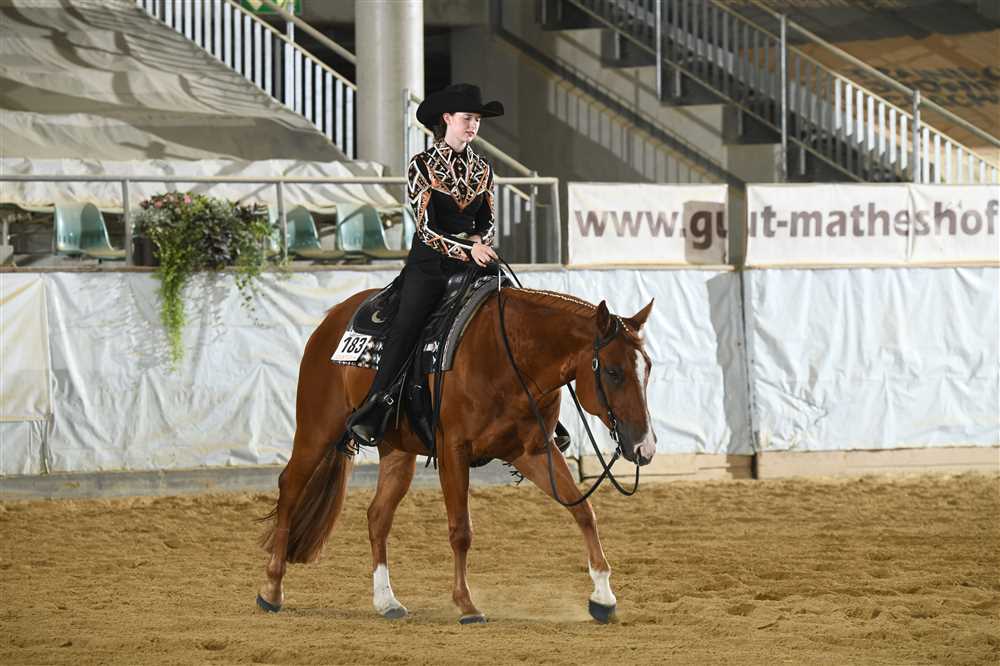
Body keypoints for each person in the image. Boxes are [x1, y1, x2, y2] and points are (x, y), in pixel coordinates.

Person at [347, 83, 501, 447]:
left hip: (473, 258)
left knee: (510, 305)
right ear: (447, 119)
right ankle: (377, 404)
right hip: (430, 264)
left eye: (477, 120)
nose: (473, 126)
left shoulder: (483, 168)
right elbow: (426, 229)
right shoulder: (422, 165)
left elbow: (489, 220)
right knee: (408, 324)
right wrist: (469, 250)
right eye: (467, 118)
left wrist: (480, 240)